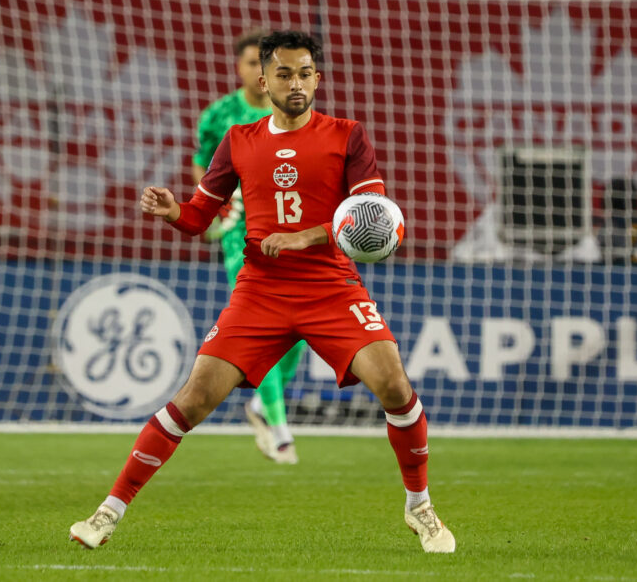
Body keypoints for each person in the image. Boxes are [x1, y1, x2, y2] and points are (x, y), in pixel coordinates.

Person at [70, 30, 455, 554]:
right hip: (260, 292)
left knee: (394, 385)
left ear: (317, 79)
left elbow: (375, 217)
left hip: (331, 288)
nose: (296, 83)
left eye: (305, 74)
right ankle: (106, 513)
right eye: (284, 74)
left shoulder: (347, 136)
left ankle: (420, 507)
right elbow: (201, 216)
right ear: (263, 80)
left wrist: (305, 236)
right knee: (193, 399)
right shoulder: (238, 140)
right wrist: (174, 211)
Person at [191, 30, 306, 465]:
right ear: (240, 69)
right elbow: (202, 164)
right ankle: (279, 428)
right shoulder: (219, 115)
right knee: (265, 325)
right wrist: (210, 206)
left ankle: (260, 405)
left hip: (291, 231)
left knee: (299, 330)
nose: (258, 71)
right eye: (252, 63)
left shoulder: (294, 113)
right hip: (241, 235)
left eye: (266, 64)